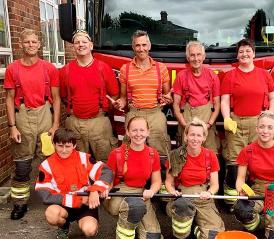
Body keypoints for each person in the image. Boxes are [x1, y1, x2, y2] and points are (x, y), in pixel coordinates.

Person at [4, 29, 61, 220]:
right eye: (27, 42)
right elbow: (9, 99)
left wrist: (55, 126)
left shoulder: (49, 68)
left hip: (45, 116)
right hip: (22, 117)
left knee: (49, 160)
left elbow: (56, 98)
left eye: (34, 42)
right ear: (21, 44)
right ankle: (20, 203)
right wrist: (12, 126)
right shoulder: (13, 68)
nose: (31, 45)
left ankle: (53, 198)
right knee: (22, 164)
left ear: (39, 44)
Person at [220, 38, 274, 208]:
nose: (244, 54)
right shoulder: (231, 75)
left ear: (253, 53)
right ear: (237, 55)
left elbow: (273, 98)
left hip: (257, 124)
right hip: (236, 123)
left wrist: (269, 115)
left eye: (248, 51)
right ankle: (231, 201)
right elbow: (224, 101)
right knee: (234, 162)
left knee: (256, 161)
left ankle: (253, 201)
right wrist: (227, 119)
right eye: (241, 51)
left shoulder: (264, 75)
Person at [34, 128, 113, 239]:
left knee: (90, 231)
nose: (64, 150)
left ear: (74, 145)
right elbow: (44, 194)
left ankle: (91, 223)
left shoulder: (84, 158)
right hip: (63, 205)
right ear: (54, 144)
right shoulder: (46, 165)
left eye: (68, 146)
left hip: (85, 207)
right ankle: (63, 227)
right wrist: (78, 200)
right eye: (60, 146)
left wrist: (96, 189)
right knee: (51, 214)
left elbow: (105, 171)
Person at [115, 30, 172, 178]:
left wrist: (168, 99)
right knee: (131, 149)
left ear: (150, 45)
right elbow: (123, 98)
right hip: (134, 113)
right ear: (133, 47)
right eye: (138, 45)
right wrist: (119, 103)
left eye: (144, 45)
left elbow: (167, 96)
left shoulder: (161, 68)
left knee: (160, 149)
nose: (141, 49)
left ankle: (162, 184)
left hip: (155, 113)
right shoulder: (125, 69)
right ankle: (134, 181)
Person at [165, 117, 225, 239]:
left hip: (203, 198)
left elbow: (215, 185)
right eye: (192, 134)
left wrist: (209, 193)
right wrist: (173, 191)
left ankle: (194, 229)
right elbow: (168, 182)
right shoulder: (175, 155)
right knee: (182, 207)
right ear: (186, 136)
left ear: (204, 138)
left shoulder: (210, 156)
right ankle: (180, 238)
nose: (195, 138)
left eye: (199, 135)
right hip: (182, 197)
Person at [105, 116, 163, 239]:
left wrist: (152, 191)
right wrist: (105, 190)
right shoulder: (116, 154)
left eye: (142, 130)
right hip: (120, 193)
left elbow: (156, 182)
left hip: (142, 193)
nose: (138, 134)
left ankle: (135, 224)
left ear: (148, 132)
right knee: (134, 207)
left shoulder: (152, 154)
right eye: (134, 130)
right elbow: (108, 180)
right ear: (128, 132)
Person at [60, 30, 119, 162]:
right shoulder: (65, 70)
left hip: (99, 122)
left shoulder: (104, 68)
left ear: (91, 45)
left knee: (105, 162)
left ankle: (102, 183)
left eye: (84, 42)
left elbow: (114, 94)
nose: (81, 45)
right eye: (77, 42)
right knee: (76, 161)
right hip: (74, 123)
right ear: (73, 46)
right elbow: (63, 96)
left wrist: (101, 109)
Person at [172, 41, 221, 154]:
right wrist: (185, 126)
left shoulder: (212, 76)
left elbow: (217, 104)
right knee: (185, 155)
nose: (196, 58)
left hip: (207, 123)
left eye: (198, 55)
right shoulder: (181, 76)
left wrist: (209, 124)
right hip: (187, 123)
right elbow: (175, 104)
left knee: (210, 154)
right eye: (192, 55)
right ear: (188, 58)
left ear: (203, 57)